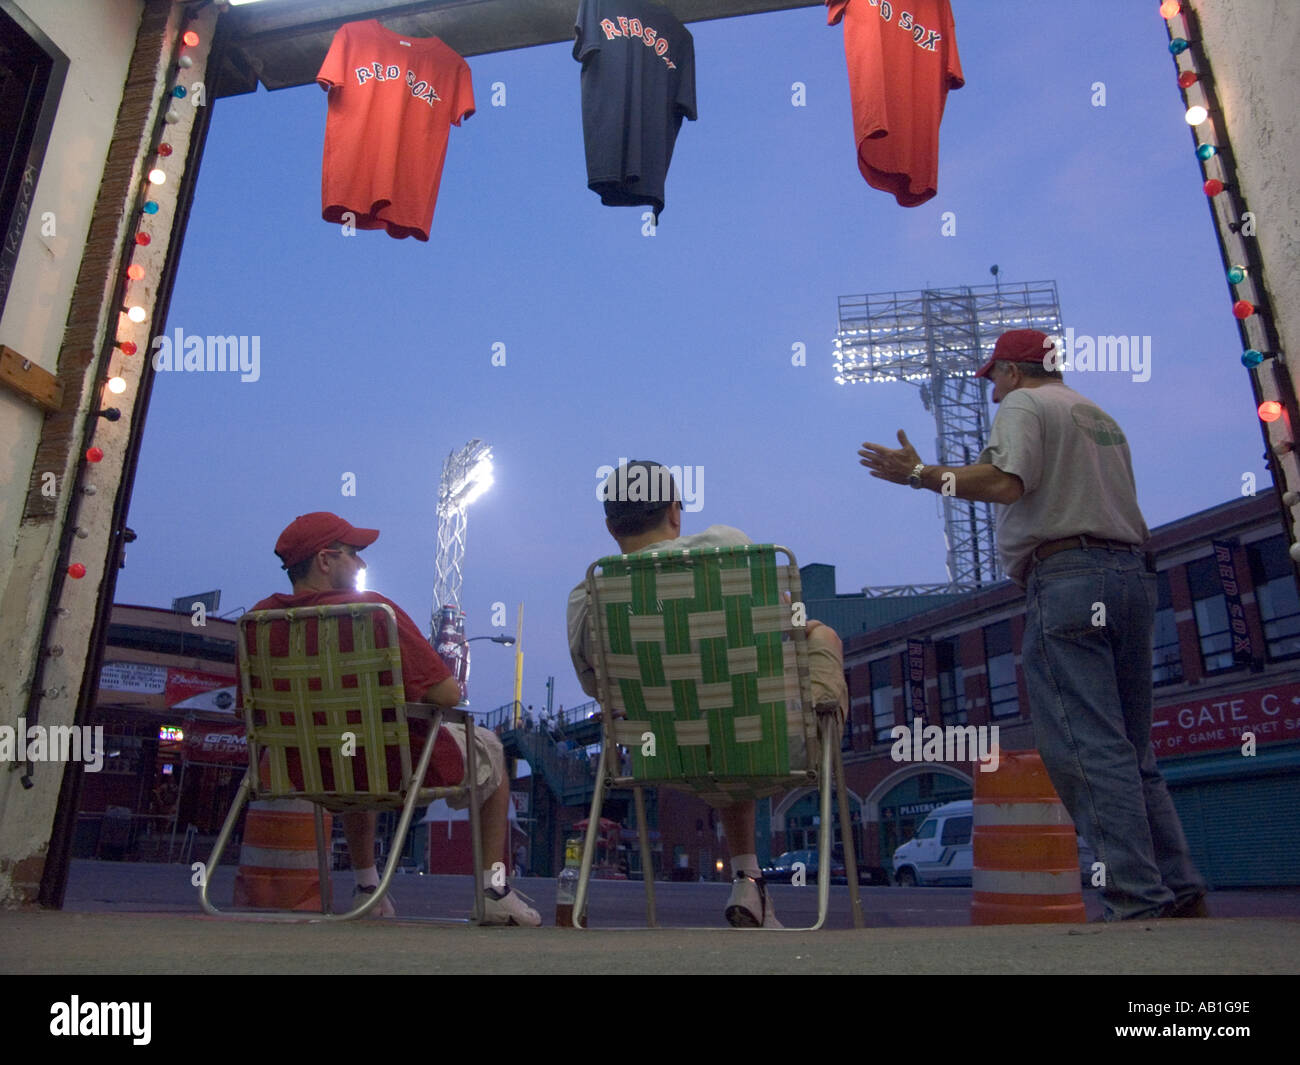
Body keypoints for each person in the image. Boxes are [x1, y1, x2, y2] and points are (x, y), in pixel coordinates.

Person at [857, 328, 1206, 921]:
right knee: (1132, 751)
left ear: (1014, 371)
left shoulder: (1025, 404)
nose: (991, 390)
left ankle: (1139, 902)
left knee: (1085, 747)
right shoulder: (1097, 413)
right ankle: (1181, 893)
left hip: (1068, 574)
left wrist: (920, 474)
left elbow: (1004, 481)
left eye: (993, 376)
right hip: (1132, 575)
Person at [567, 461, 849, 928]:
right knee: (818, 644)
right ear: (675, 513)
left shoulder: (588, 594)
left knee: (715, 715)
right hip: (773, 742)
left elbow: (601, 690)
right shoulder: (728, 549)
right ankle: (820, 773)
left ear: (611, 526)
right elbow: (790, 634)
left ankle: (747, 879)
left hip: (661, 754)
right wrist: (814, 630)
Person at [250, 512, 540, 926]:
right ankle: (493, 890)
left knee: (350, 747)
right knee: (489, 746)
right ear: (325, 560)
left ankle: (367, 886)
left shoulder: (262, 622)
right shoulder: (372, 613)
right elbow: (447, 693)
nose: (362, 564)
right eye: (353, 553)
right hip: (390, 765)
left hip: (303, 771)